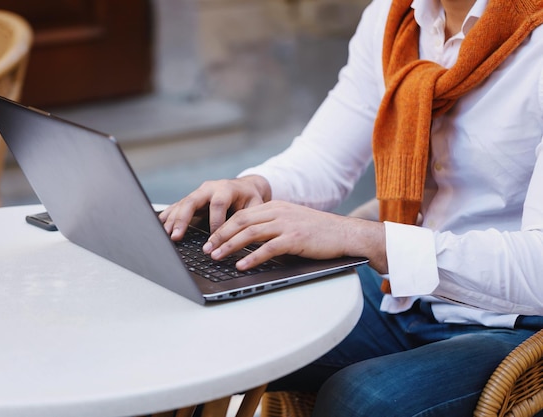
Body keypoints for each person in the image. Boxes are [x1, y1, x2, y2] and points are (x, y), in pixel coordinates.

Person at [159, 0, 543, 414]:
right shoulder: (394, 17)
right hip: (399, 292)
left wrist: (366, 239)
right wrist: (251, 186)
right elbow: (325, 158)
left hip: (509, 319)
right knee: (203, 325)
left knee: (361, 399)